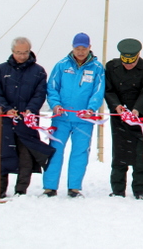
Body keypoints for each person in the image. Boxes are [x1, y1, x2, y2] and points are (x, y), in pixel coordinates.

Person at [0, 37, 54, 198]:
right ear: (12, 52)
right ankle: (0, 189)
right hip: (5, 122)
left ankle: (21, 190)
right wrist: (7, 109)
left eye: (25, 52)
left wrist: (31, 109)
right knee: (1, 154)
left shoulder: (38, 71)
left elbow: (40, 93)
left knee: (26, 156)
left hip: (27, 122)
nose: (22, 56)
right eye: (19, 53)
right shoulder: (0, 70)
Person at [43, 32, 105, 198]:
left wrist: (91, 108)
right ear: (72, 47)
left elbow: (98, 91)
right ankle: (49, 187)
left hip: (83, 120)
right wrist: (55, 105)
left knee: (80, 153)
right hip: (61, 119)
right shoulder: (62, 65)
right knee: (55, 151)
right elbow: (52, 88)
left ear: (89, 48)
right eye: (77, 48)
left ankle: (74, 188)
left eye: (83, 48)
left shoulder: (97, 68)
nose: (80, 52)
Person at [105, 38, 143, 200]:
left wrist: (137, 110)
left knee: (141, 154)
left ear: (138, 55)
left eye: (132, 60)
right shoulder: (111, 67)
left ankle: (139, 189)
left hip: (142, 116)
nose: (128, 64)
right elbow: (108, 90)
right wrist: (116, 106)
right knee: (119, 154)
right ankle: (117, 189)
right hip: (120, 117)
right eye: (125, 60)